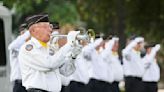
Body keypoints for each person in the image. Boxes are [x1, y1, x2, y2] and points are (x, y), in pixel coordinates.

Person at [18, 14, 81, 92]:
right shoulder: (28, 48)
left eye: (50, 26)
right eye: (45, 27)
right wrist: (69, 45)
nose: (50, 30)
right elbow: (49, 65)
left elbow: (65, 72)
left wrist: (73, 56)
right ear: (33, 31)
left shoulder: (51, 48)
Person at [8, 23, 30, 92]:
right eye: (22, 31)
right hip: (19, 83)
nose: (23, 33)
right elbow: (11, 47)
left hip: (29, 84)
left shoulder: (30, 46)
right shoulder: (15, 45)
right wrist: (28, 33)